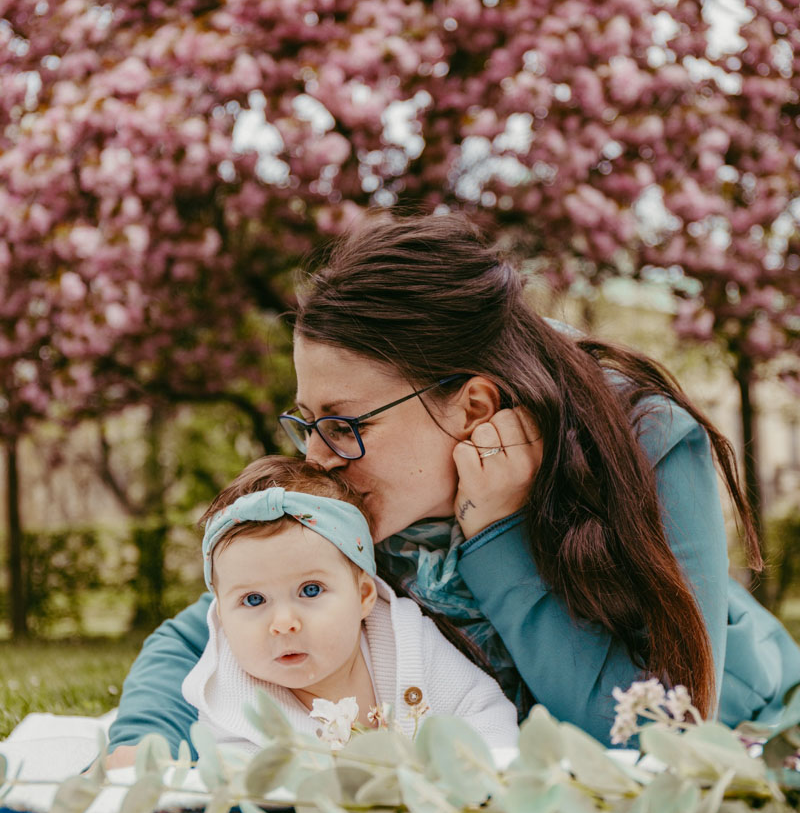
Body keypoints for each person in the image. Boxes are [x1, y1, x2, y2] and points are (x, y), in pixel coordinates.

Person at [108, 213, 800, 762]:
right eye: (308, 423)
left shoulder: (648, 444)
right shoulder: (370, 487)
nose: (318, 457)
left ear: (473, 406)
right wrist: (140, 746)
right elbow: (211, 627)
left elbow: (654, 735)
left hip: (739, 698)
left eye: (345, 424)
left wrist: (497, 537)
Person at [181, 455, 519, 753]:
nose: (283, 622)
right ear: (222, 616)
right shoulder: (229, 702)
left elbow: (482, 710)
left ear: (363, 596)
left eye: (310, 590)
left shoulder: (406, 643)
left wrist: (476, 779)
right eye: (253, 599)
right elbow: (241, 789)